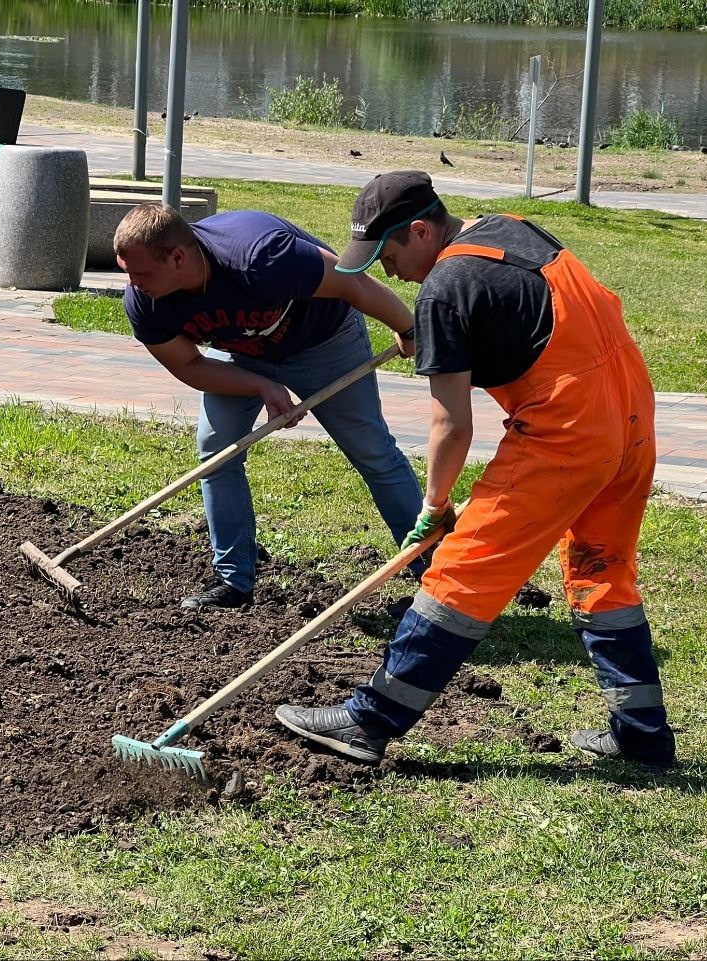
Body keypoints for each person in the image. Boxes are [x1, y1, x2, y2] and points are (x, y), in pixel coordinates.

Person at [275, 171, 677, 768]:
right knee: (602, 569)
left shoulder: (445, 288)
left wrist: (434, 508)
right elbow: (521, 319)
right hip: (630, 424)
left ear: (418, 230)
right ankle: (642, 734)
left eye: (386, 254)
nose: (386, 272)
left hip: (564, 439)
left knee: (462, 572)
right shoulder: (511, 230)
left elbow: (451, 426)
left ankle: (369, 721)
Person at [114, 204, 426, 611]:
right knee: (217, 449)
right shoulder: (146, 302)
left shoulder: (261, 257)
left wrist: (408, 328)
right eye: (128, 274)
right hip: (244, 354)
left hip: (325, 342)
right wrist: (260, 385)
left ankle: (437, 578)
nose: (133, 284)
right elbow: (188, 364)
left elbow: (354, 285)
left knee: (373, 452)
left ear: (177, 257)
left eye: (141, 273)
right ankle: (233, 581)